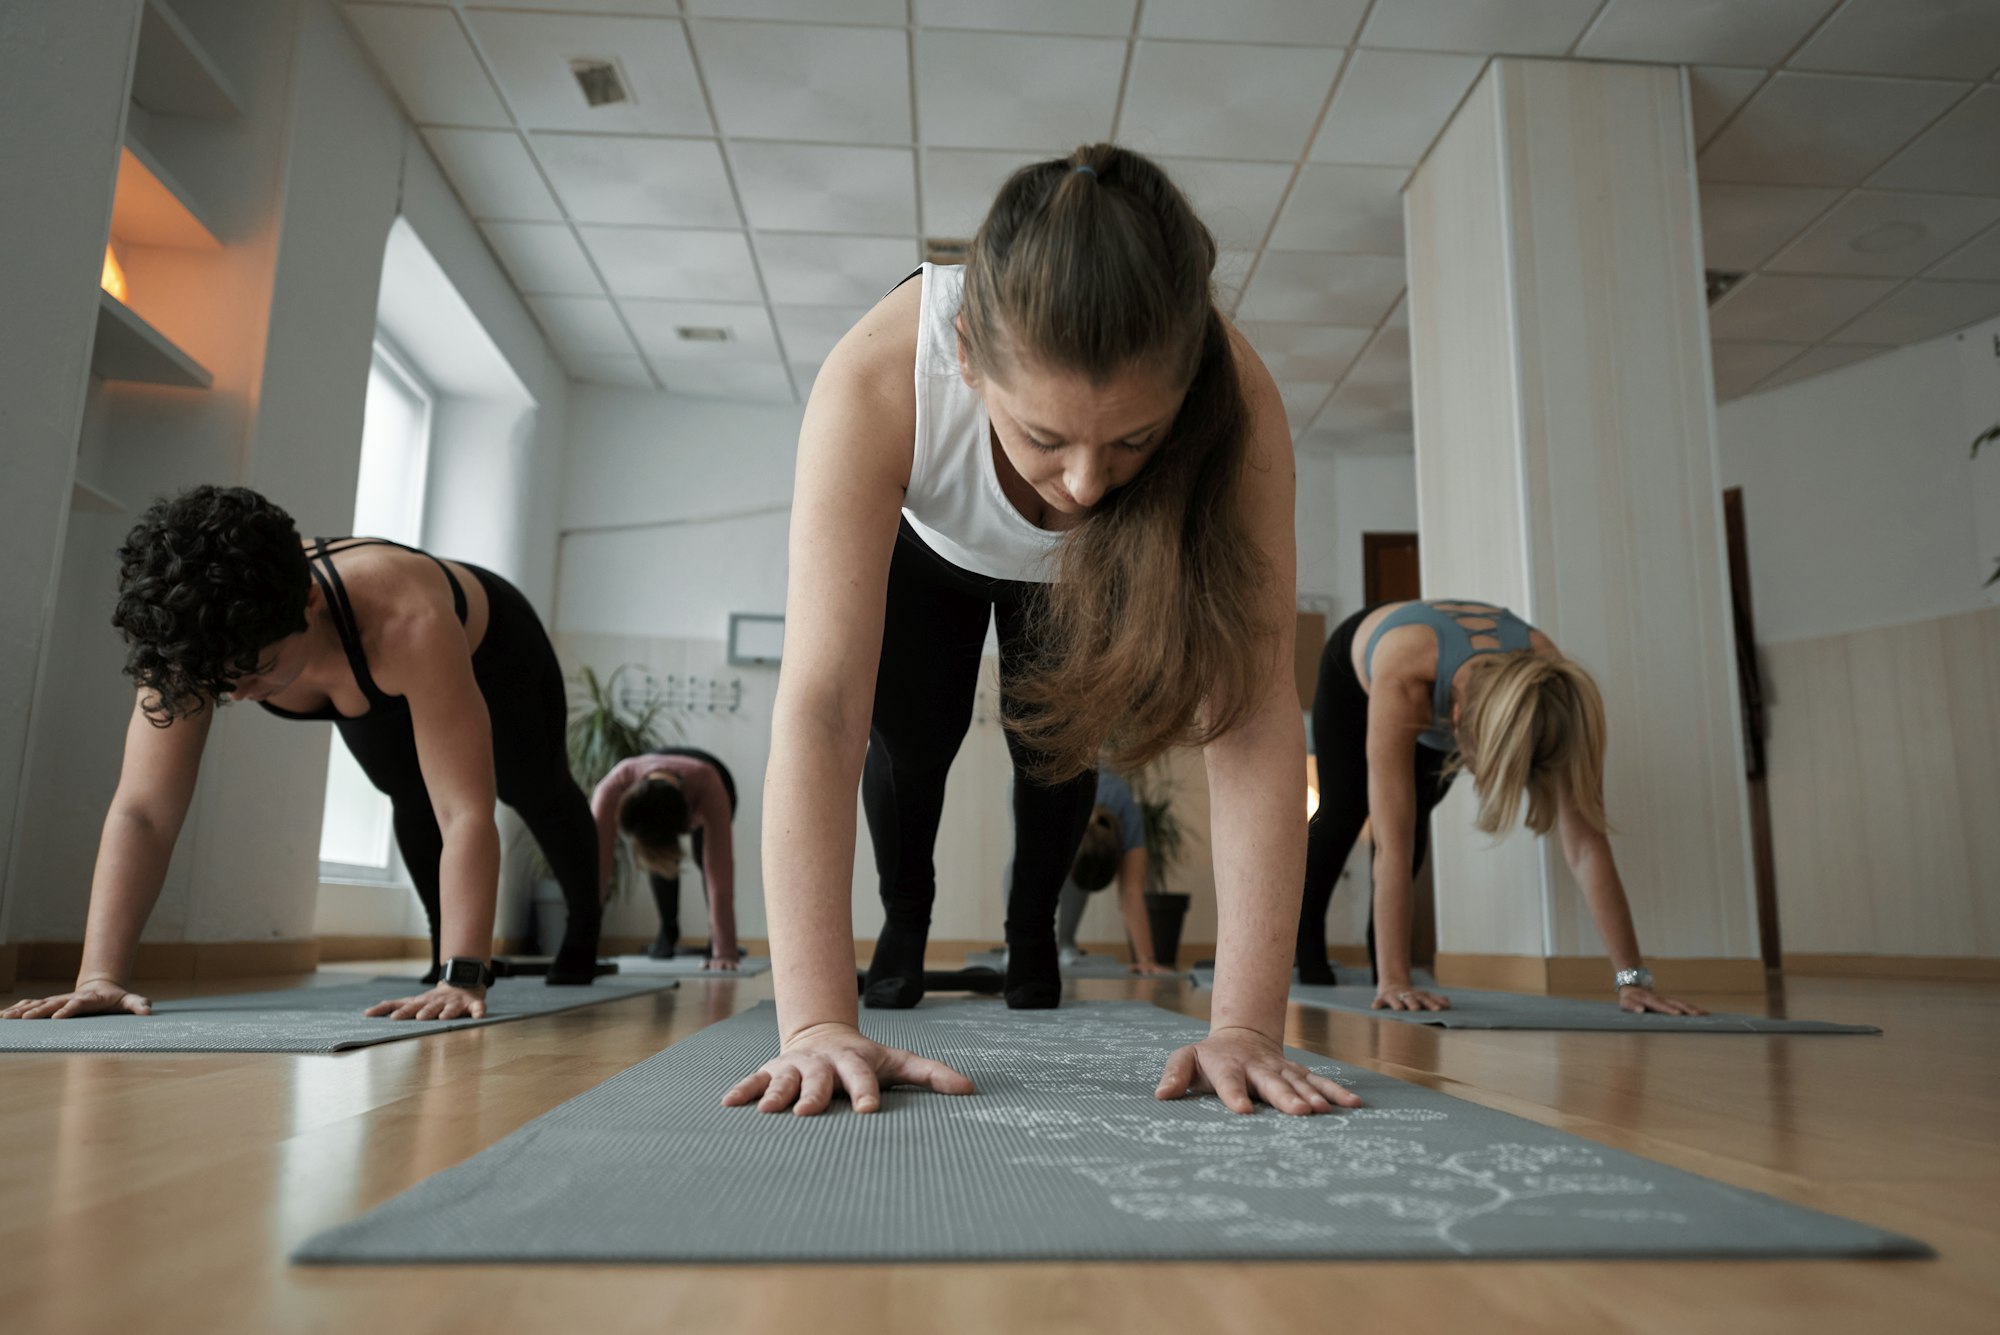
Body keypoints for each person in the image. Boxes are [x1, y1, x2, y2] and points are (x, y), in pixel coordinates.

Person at [724, 144, 1361, 1119]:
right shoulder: (878, 377)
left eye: (1131, 439)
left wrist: (1245, 1026)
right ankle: (905, 922)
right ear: (969, 357)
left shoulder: (1238, 400)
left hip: (1092, 568)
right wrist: (813, 1024)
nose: (1082, 483)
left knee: (1055, 753)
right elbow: (820, 708)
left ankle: (1034, 938)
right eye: (1044, 437)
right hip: (929, 551)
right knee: (913, 741)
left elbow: (1252, 713)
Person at [0, 486, 603, 1025]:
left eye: (254, 672)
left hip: (496, 650)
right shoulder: (186, 637)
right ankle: (441, 952)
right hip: (364, 674)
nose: (232, 694)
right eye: (219, 683)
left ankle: (580, 934)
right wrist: (99, 977)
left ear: (310, 603)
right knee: (405, 788)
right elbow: (143, 812)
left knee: (535, 788)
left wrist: (467, 975)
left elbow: (465, 812)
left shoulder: (406, 618)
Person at [1294, 599, 1706, 1017]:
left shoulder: (1555, 697)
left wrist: (1632, 979)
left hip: (1460, 677)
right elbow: (1390, 845)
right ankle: (1309, 953)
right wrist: (1395, 981)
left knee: (1416, 815)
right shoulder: (1406, 679)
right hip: (1355, 669)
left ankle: (1383, 960)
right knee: (1346, 813)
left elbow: (1585, 843)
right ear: (1454, 720)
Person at [1003, 767, 1175, 974]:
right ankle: (1016, 944)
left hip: (1078, 788)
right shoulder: (1054, 809)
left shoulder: (1127, 814)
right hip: (1039, 783)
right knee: (1026, 862)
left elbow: (1130, 891)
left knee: (1071, 871)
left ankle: (1066, 943)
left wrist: (1146, 959)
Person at [591, 748, 740, 969]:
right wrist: (583, 946)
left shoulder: (708, 785)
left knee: (705, 859)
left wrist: (725, 952)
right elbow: (596, 869)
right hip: (655, 779)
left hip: (715, 778)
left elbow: (720, 872)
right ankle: (668, 931)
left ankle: (715, 940)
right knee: (659, 866)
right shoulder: (613, 785)